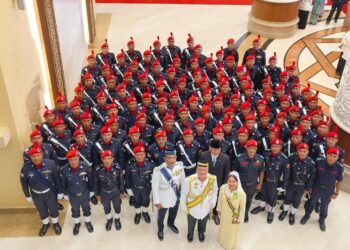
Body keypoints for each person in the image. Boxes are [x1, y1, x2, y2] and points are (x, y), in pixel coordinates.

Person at [20, 142, 62, 236]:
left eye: (38, 155)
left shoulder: (50, 164)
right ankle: (45, 224)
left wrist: (60, 191)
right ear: (30, 157)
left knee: (53, 209)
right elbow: (24, 182)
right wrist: (27, 195)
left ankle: (55, 223)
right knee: (41, 210)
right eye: (33, 156)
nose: (36, 158)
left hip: (50, 192)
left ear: (42, 154)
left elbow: (56, 178)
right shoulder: (25, 168)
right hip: (36, 194)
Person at [300, 147, 344, 231]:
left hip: (328, 190)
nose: (332, 158)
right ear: (326, 155)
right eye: (330, 155)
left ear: (337, 157)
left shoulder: (339, 167)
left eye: (335, 156)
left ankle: (322, 220)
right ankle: (307, 215)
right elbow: (313, 176)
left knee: (324, 206)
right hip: (317, 187)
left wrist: (336, 193)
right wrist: (310, 187)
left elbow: (339, 181)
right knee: (312, 202)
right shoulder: (319, 162)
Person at [152, 144, 186, 241]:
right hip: (163, 198)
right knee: (161, 215)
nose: (171, 160)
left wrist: (183, 196)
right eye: (169, 158)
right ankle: (161, 229)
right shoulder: (158, 170)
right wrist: (157, 201)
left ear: (176, 157)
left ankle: (171, 224)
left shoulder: (179, 168)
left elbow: (183, 182)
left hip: (175, 196)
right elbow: (155, 187)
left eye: (173, 158)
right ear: (165, 158)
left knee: (173, 213)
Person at [180, 160, 218, 243]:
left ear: (208, 170)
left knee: (203, 222)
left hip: (206, 208)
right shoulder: (189, 180)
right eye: (200, 169)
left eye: (205, 170)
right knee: (191, 223)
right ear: (196, 169)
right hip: (193, 208)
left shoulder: (213, 179)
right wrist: (183, 206)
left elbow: (215, 190)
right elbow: (183, 194)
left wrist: (214, 201)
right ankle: (190, 234)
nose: (202, 172)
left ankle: (201, 233)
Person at [60, 147, 94, 235]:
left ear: (79, 158)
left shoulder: (86, 167)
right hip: (72, 195)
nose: (73, 162)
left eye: (75, 159)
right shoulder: (64, 170)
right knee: (75, 210)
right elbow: (63, 183)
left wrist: (92, 191)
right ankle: (77, 223)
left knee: (86, 208)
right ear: (68, 160)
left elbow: (91, 180)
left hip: (85, 193)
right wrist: (65, 194)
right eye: (71, 160)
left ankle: (88, 222)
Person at [199, 139, 231, 225]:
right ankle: (204, 213)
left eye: (218, 149)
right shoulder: (203, 155)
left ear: (220, 149)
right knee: (204, 198)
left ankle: (215, 214)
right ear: (210, 148)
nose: (216, 151)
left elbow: (226, 173)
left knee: (216, 199)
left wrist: (223, 186)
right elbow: (199, 169)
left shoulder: (226, 158)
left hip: (218, 184)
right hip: (205, 182)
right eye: (214, 149)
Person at [233, 139, 265, 223]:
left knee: (248, 200)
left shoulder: (260, 159)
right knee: (237, 199)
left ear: (256, 149)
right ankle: (236, 212)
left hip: (252, 185)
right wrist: (234, 184)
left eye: (253, 148)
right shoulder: (239, 158)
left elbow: (261, 172)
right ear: (246, 148)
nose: (251, 150)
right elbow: (234, 172)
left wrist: (260, 184)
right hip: (240, 185)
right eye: (250, 148)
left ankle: (245, 213)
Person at [94, 150, 124, 231]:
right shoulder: (97, 170)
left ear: (112, 159)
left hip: (115, 191)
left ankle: (117, 219)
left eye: (109, 158)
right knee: (106, 208)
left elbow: (121, 180)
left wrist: (122, 192)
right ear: (102, 159)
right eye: (105, 158)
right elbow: (96, 183)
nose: (107, 161)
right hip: (104, 193)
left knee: (117, 207)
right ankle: (109, 219)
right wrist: (97, 194)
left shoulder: (117, 168)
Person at [217, 171, 246, 250]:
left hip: (234, 217)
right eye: (229, 181)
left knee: (231, 232)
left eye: (234, 181)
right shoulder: (223, 188)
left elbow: (243, 208)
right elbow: (220, 200)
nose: (231, 183)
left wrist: (240, 219)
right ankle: (222, 241)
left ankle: (229, 245)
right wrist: (219, 210)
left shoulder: (241, 193)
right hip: (224, 214)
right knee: (223, 228)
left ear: (237, 181)